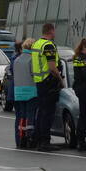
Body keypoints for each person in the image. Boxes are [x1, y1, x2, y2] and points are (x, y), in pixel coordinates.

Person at [31, 22, 64, 152]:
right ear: (51, 31)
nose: (55, 33)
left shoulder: (36, 44)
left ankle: (39, 139)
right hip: (48, 82)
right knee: (48, 113)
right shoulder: (48, 45)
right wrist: (61, 80)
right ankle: (45, 141)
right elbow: (52, 67)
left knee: (41, 112)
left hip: (39, 82)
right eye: (54, 31)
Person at [12, 38, 38, 149]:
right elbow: (34, 75)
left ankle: (21, 138)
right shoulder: (32, 59)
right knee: (30, 116)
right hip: (31, 91)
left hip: (18, 92)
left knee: (21, 116)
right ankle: (30, 138)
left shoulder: (17, 59)